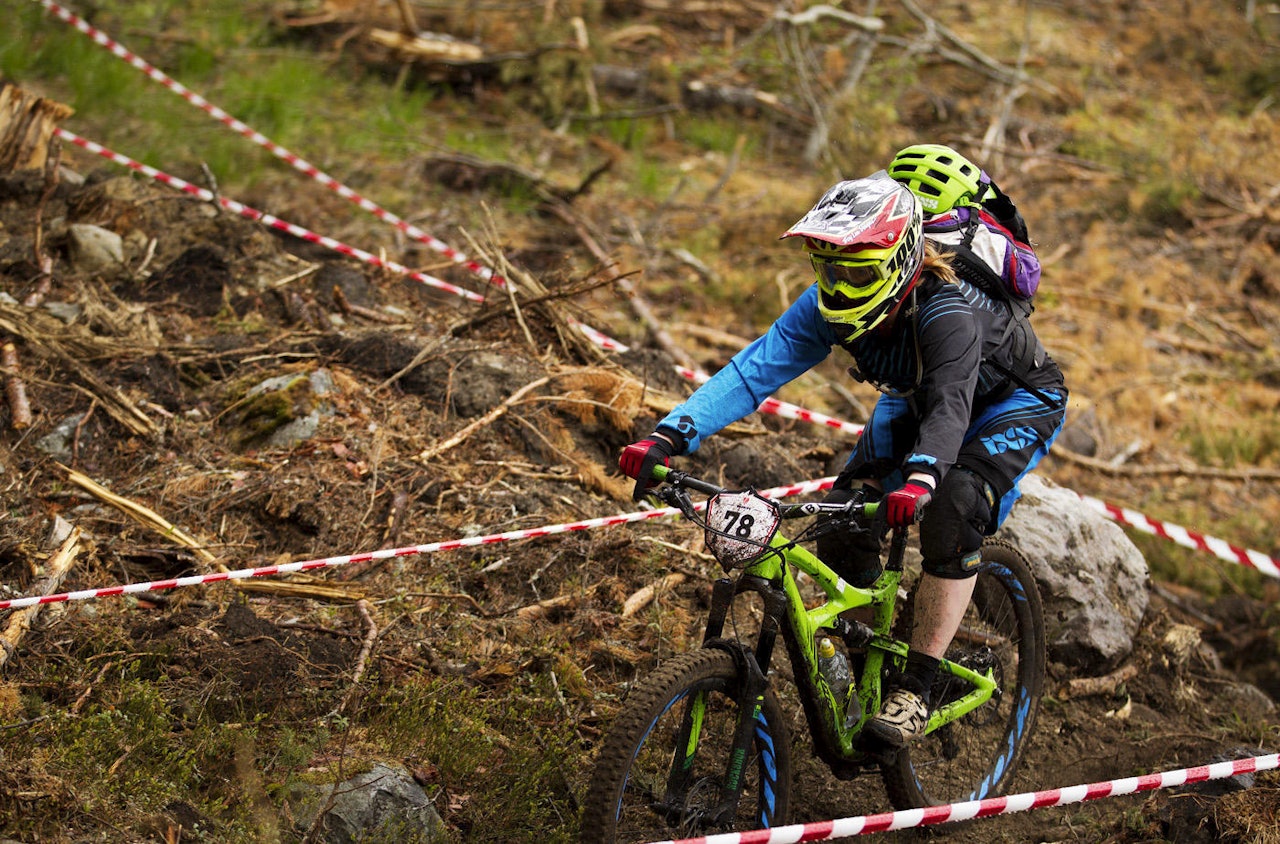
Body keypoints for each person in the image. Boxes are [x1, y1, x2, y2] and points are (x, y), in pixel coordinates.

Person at [617, 150, 1067, 749]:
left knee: (954, 507)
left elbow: (951, 408)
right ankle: (868, 666)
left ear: (901, 258)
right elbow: (755, 370)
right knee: (844, 520)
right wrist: (669, 434)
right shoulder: (830, 302)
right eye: (828, 270)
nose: (839, 285)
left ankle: (921, 683)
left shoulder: (947, 311)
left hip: (1011, 401)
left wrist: (922, 479)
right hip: (918, 400)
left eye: (856, 272)